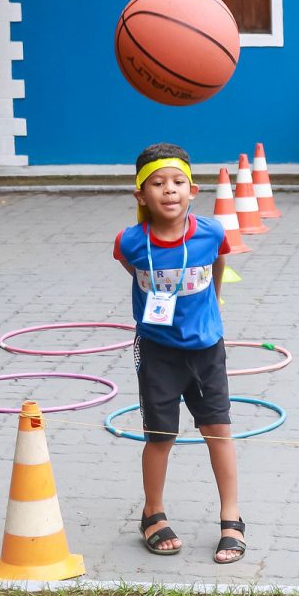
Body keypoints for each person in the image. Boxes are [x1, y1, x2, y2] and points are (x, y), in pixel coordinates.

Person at [113, 143, 244, 565]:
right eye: (157, 184)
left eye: (177, 183)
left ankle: (231, 518)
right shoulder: (130, 242)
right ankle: (152, 513)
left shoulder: (211, 233)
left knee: (218, 431)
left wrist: (216, 304)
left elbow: (219, 266)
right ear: (140, 195)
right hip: (157, 353)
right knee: (160, 436)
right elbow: (135, 273)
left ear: (193, 190)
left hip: (207, 350)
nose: (169, 191)